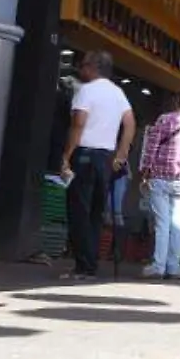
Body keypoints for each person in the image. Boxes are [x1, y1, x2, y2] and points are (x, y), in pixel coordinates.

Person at [55, 51, 135, 281]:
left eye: (83, 65)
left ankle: (83, 266)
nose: (80, 69)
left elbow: (78, 124)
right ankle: (90, 264)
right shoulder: (117, 92)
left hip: (84, 154)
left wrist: (66, 155)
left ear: (92, 67)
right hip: (107, 158)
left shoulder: (86, 91)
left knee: (78, 210)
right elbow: (130, 123)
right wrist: (121, 154)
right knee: (96, 213)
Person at [138, 89, 180, 279]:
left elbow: (151, 147)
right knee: (178, 224)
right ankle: (173, 267)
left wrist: (146, 172)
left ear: (178, 101)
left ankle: (158, 266)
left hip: (160, 177)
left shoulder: (165, 119)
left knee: (162, 223)